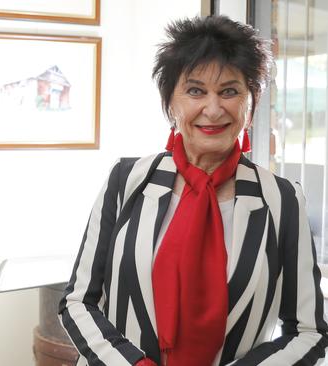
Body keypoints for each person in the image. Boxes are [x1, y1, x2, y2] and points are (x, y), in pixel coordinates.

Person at [59, 15, 328, 366]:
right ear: (171, 102)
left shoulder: (282, 200)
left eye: (230, 91)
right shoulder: (126, 181)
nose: (213, 109)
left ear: (251, 103)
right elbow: (78, 302)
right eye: (195, 90)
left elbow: (310, 332)